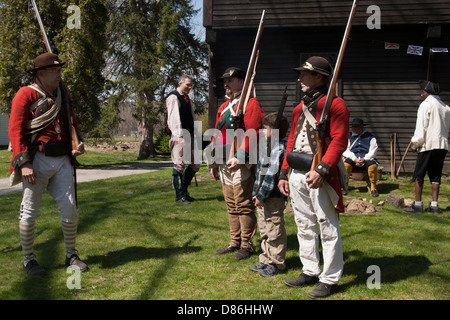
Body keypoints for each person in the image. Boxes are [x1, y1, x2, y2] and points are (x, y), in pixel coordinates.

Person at [9, 52, 87, 275]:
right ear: (41, 74)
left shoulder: (63, 94)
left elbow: (72, 121)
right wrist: (24, 162)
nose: (59, 74)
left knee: (70, 208)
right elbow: (15, 131)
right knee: (30, 210)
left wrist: (77, 143)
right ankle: (29, 259)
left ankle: (71, 254)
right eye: (55, 70)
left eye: (60, 70)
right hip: (37, 160)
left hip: (63, 159)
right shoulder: (25, 94)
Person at [278, 56, 349, 298]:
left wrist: (322, 169)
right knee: (303, 225)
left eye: (304, 74)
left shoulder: (336, 104)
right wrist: (283, 173)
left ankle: (329, 278)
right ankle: (309, 269)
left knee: (327, 225)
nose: (299, 78)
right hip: (297, 172)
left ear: (320, 77)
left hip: (320, 174)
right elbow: (291, 141)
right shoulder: (300, 107)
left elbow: (339, 140)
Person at [210, 67, 265, 260]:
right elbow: (217, 134)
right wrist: (213, 162)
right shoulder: (223, 107)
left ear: (242, 82)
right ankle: (234, 242)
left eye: (231, 80)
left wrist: (240, 156)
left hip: (241, 162)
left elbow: (254, 132)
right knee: (231, 204)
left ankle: (246, 244)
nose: (226, 84)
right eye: (225, 80)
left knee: (243, 204)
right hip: (224, 160)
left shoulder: (251, 103)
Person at [250, 112, 289, 277]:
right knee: (265, 229)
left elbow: (270, 177)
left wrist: (261, 195)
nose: (261, 132)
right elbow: (259, 175)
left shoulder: (279, 148)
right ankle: (265, 259)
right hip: (262, 196)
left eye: (264, 129)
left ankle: (276, 262)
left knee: (274, 230)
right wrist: (255, 193)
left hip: (272, 197)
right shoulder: (267, 147)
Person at [404, 80, 450, 214]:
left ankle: (417, 205)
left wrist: (415, 143)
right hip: (442, 146)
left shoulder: (426, 105)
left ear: (426, 92)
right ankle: (434, 205)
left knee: (419, 174)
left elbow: (422, 127)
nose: (420, 94)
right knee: (436, 175)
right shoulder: (446, 107)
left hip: (428, 145)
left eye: (422, 91)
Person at [167, 74, 200, 204]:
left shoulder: (186, 98)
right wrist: (178, 136)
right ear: (180, 83)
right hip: (180, 136)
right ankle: (179, 196)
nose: (190, 87)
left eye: (191, 85)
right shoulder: (173, 97)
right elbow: (173, 118)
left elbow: (190, 116)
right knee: (179, 164)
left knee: (195, 164)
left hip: (190, 135)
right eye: (188, 85)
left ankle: (185, 191)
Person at [342, 118, 379, 197]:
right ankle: (344, 187)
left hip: (366, 158)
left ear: (362, 127)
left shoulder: (370, 137)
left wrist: (364, 159)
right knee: (346, 166)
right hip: (353, 158)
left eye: (357, 126)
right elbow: (345, 150)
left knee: (372, 166)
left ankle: (373, 188)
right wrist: (354, 158)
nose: (355, 128)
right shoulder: (348, 137)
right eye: (353, 127)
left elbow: (373, 150)